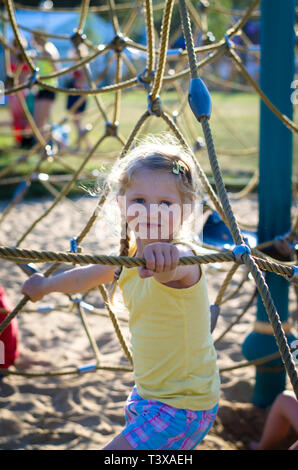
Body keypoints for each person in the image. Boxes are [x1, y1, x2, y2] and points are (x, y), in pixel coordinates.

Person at [21, 134, 220, 450]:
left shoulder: (185, 258)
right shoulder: (126, 257)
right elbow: (86, 276)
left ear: (185, 211)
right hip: (148, 394)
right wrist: (45, 286)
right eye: (139, 200)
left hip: (184, 405)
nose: (151, 211)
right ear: (121, 204)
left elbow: (176, 265)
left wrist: (167, 259)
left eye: (165, 203)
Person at [31, 33, 60, 139]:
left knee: (40, 123)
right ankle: (51, 145)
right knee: (40, 123)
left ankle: (59, 144)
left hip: (48, 89)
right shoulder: (40, 52)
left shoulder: (48, 52)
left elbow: (57, 70)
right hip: (41, 89)